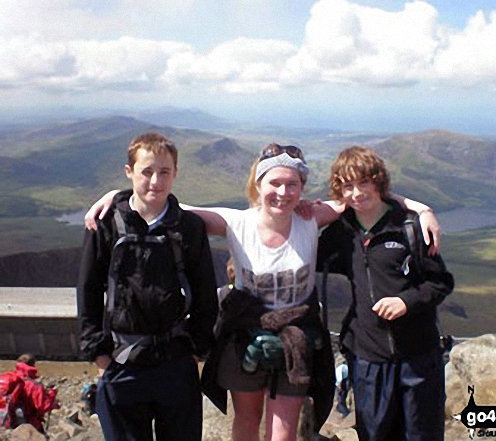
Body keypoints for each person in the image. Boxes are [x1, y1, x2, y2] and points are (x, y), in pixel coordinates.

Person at [85, 142, 441, 441]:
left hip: (296, 337)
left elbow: (364, 195)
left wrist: (420, 208)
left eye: (292, 184)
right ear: (259, 184)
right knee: (246, 421)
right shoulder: (235, 223)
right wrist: (117, 194)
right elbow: (160, 201)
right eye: (275, 183)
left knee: (283, 432)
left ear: (302, 188)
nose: (283, 193)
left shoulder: (311, 217)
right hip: (245, 334)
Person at [77, 133, 218, 441]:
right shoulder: (106, 223)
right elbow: (88, 289)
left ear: (175, 174)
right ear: (129, 173)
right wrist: (99, 356)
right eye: (146, 171)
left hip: (176, 363)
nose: (156, 181)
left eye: (164, 172)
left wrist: (195, 351)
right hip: (121, 362)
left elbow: (206, 292)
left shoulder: (189, 228)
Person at [317, 146, 455, 441]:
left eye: (363, 183)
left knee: (423, 435)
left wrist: (405, 302)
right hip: (368, 359)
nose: (356, 193)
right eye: (347, 186)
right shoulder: (339, 233)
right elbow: (300, 251)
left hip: (418, 356)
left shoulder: (410, 228)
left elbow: (440, 282)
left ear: (378, 182)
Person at [3, 354, 59, 433]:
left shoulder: (10, 379)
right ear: (33, 365)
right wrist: (52, 393)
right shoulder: (33, 385)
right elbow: (43, 406)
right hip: (30, 426)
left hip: (10, 424)